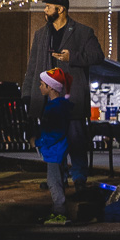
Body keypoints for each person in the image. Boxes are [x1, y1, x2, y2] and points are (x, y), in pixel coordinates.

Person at [21, 0, 103, 191]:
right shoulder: (41, 34)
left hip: (72, 96)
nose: (45, 10)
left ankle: (79, 178)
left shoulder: (83, 32)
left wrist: (72, 57)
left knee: (76, 139)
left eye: (48, 7)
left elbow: (97, 56)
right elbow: (32, 67)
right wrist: (27, 93)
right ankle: (58, 178)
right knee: (53, 140)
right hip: (49, 98)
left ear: (60, 9)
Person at [34, 67, 74, 225]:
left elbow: (55, 132)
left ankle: (60, 213)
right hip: (58, 151)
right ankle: (58, 211)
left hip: (54, 152)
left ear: (50, 87)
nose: (39, 87)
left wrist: (38, 142)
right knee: (58, 181)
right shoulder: (59, 105)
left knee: (53, 182)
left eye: (42, 84)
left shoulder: (55, 107)